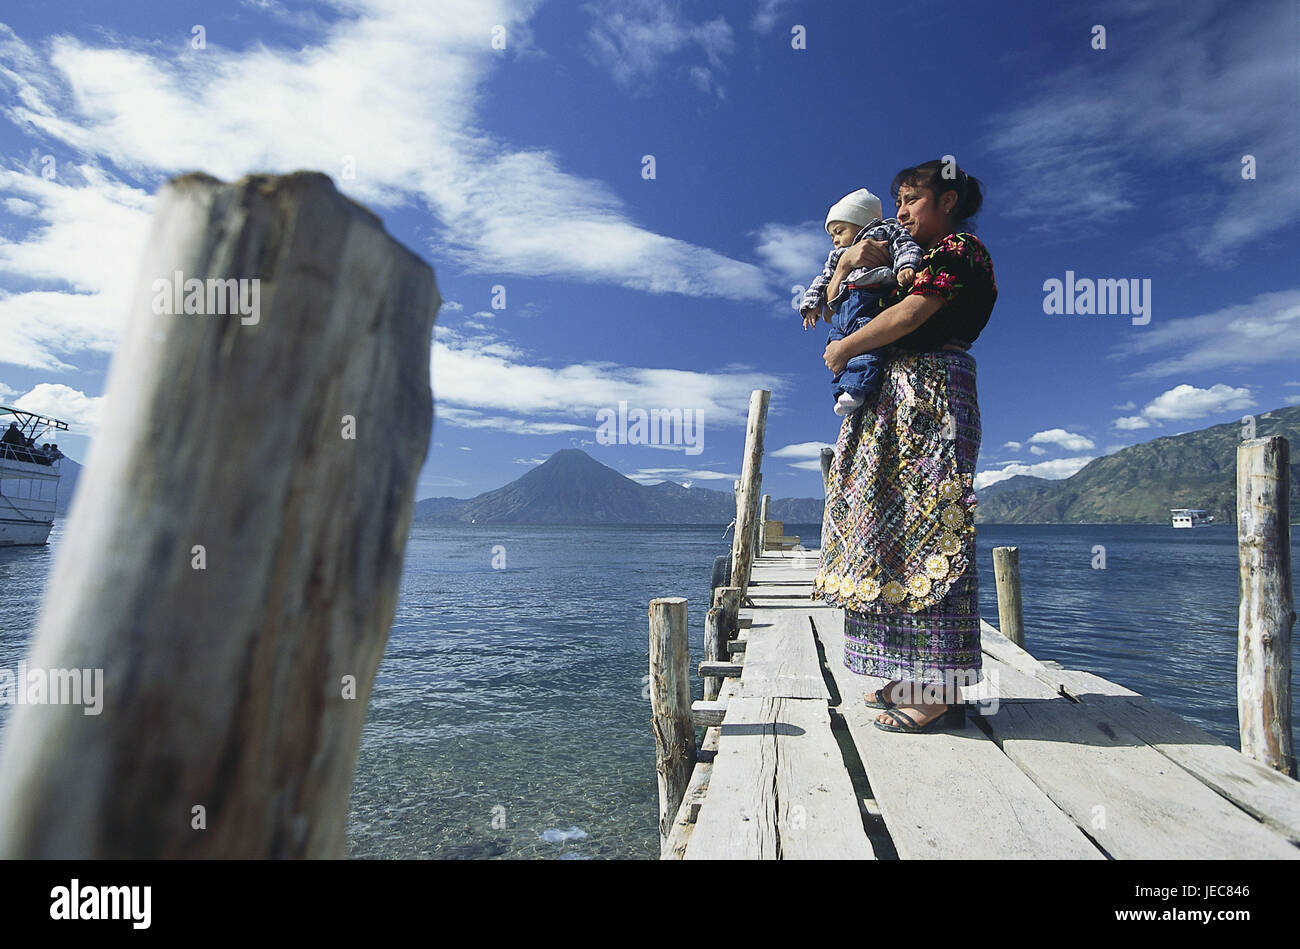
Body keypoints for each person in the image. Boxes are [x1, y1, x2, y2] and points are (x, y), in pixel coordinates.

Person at [814, 159, 996, 733]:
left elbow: (917, 311)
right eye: (897, 201)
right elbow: (860, 298)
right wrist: (849, 264)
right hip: (895, 401)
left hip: (932, 396)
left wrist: (845, 350)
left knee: (930, 529)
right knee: (883, 531)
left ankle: (939, 691)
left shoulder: (960, 250)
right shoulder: (901, 256)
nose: (900, 212)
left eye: (911, 199)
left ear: (947, 200)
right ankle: (911, 673)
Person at [799, 188, 922, 416]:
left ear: (860, 222)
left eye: (839, 231)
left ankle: (856, 389)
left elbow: (905, 247)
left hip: (869, 298)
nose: (835, 239)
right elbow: (823, 280)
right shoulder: (837, 256)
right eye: (832, 235)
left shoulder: (884, 233)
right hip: (844, 309)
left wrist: (906, 266)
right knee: (835, 345)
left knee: (865, 344)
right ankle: (842, 391)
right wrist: (811, 304)